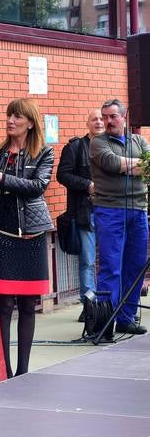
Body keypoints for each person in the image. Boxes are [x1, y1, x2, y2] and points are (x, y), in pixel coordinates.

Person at [0, 98, 54, 378]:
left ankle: (23, 372)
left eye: (16, 117)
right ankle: (4, 372)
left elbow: (37, 187)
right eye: (8, 116)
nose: (10, 121)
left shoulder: (44, 153)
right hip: (1, 235)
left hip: (32, 234)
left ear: (30, 122)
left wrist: (1, 177)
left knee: (28, 305)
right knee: (3, 305)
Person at [89, 98, 149, 335]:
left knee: (135, 267)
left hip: (138, 210)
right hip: (109, 209)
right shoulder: (97, 143)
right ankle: (105, 323)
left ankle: (126, 317)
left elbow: (148, 165)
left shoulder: (139, 140)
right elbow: (113, 164)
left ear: (124, 117)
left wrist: (130, 165)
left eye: (113, 116)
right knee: (111, 267)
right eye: (104, 117)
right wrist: (135, 165)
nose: (107, 121)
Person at [56, 109, 104, 321]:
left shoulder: (113, 145)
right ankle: (89, 305)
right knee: (88, 261)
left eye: (102, 119)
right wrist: (88, 185)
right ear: (87, 123)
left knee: (110, 261)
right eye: (95, 119)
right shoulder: (75, 147)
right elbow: (62, 175)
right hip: (86, 213)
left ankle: (107, 304)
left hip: (110, 212)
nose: (100, 122)